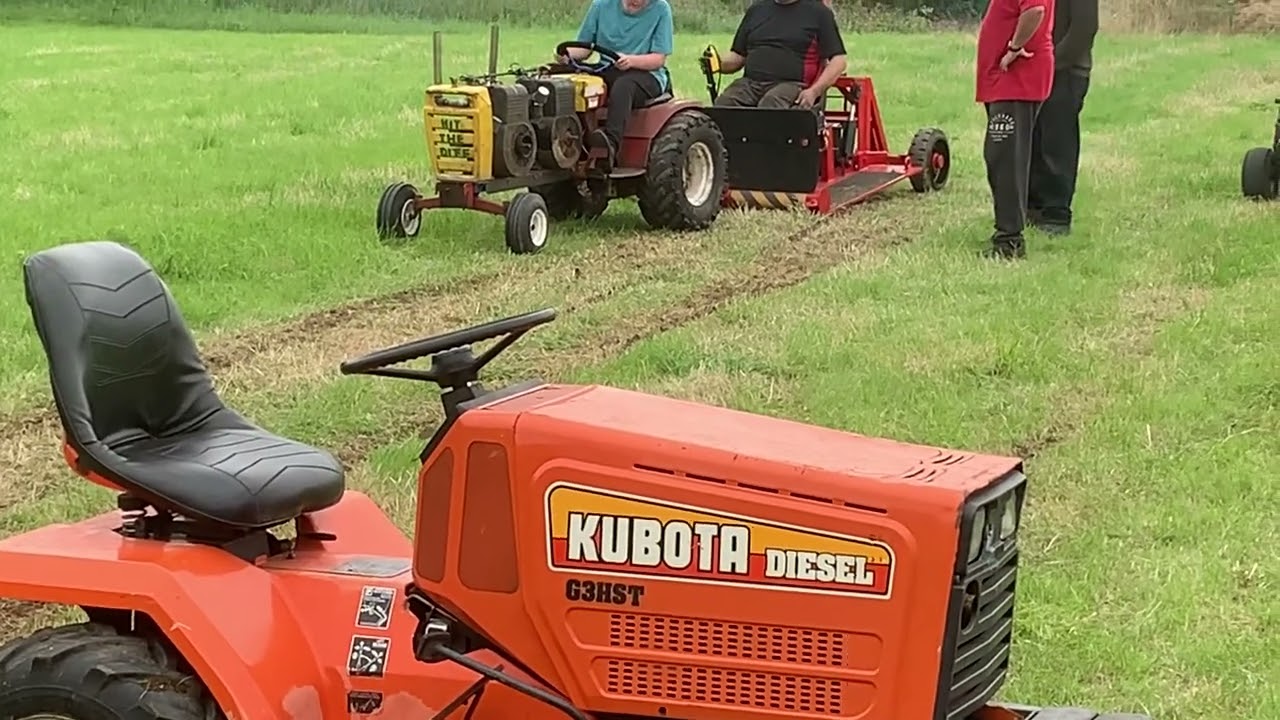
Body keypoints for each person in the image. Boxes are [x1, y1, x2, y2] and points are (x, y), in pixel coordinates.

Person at [975, 0, 1055, 260]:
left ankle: (1009, 241)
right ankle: (1010, 231)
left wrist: (1014, 47)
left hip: (1017, 78)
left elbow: (1035, 10)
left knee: (1005, 159)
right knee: (1006, 157)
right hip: (1008, 81)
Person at [560, 0, 674, 165]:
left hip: (646, 73)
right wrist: (566, 55)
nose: (636, 2)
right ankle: (563, 138)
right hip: (608, 68)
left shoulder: (661, 9)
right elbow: (584, 49)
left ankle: (610, 145)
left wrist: (631, 61)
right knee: (564, 78)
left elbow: (658, 59)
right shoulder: (601, 6)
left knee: (623, 86)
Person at [1027, 0, 1099, 236]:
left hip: (1067, 70)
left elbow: (1084, 29)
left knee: (1057, 140)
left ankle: (1056, 212)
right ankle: (1033, 206)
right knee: (1033, 136)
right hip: (1035, 68)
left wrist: (1051, 62)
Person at [711, 0, 848, 110]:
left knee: (771, 105)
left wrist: (813, 92)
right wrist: (716, 63)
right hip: (751, 84)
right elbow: (738, 57)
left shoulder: (818, 13)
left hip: (793, 85)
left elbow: (839, 61)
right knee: (724, 104)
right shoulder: (757, 10)